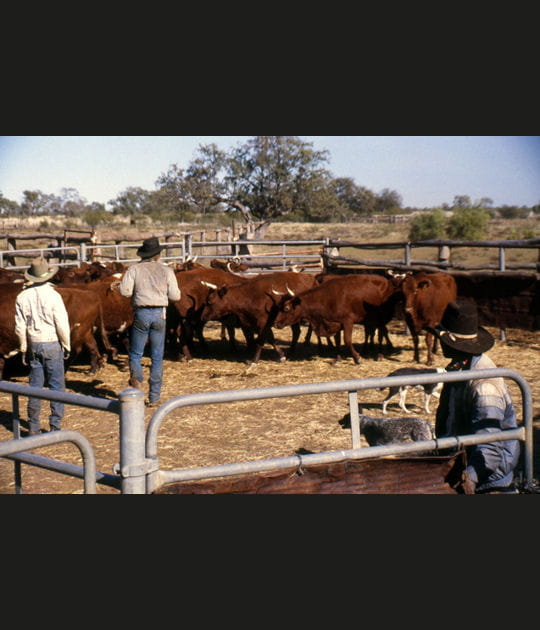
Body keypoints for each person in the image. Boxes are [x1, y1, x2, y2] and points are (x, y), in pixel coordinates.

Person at [427, 299, 520, 494]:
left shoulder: (484, 387)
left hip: (488, 480)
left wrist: (468, 479)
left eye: (443, 340)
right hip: (465, 466)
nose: (440, 344)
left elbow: (490, 448)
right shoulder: (459, 368)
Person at [118, 236, 181, 408]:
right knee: (157, 356)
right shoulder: (167, 271)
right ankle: (154, 396)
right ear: (158, 254)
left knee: (136, 353)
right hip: (160, 313)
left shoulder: (134, 269)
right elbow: (176, 296)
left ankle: (137, 387)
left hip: (141, 312)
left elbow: (125, 292)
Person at [14, 258, 71, 436]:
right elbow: (61, 323)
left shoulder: (22, 296)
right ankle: (55, 425)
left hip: (34, 343)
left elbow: (19, 326)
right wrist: (66, 344)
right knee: (56, 385)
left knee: (35, 385)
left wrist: (23, 346)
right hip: (52, 342)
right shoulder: (54, 295)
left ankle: (33, 426)